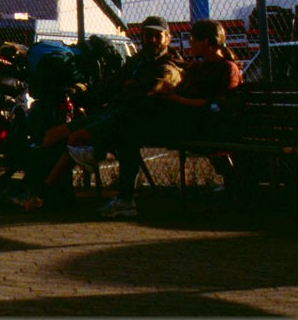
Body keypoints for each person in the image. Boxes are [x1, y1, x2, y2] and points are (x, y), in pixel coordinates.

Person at [0, 15, 183, 213]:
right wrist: (108, 88)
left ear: (167, 38)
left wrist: (127, 86)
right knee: (54, 134)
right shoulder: (137, 62)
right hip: (112, 113)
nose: (151, 40)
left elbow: (150, 88)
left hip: (135, 120)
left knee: (77, 139)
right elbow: (112, 85)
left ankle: (39, 192)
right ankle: (29, 187)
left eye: (156, 36)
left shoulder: (169, 65)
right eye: (147, 35)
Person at [92, 18, 243, 219]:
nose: (190, 44)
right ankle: (122, 194)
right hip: (188, 121)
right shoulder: (198, 67)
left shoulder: (227, 68)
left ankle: (101, 155)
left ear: (207, 42)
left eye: (194, 40)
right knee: (131, 124)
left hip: (208, 126)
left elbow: (219, 105)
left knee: (131, 121)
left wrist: (177, 98)